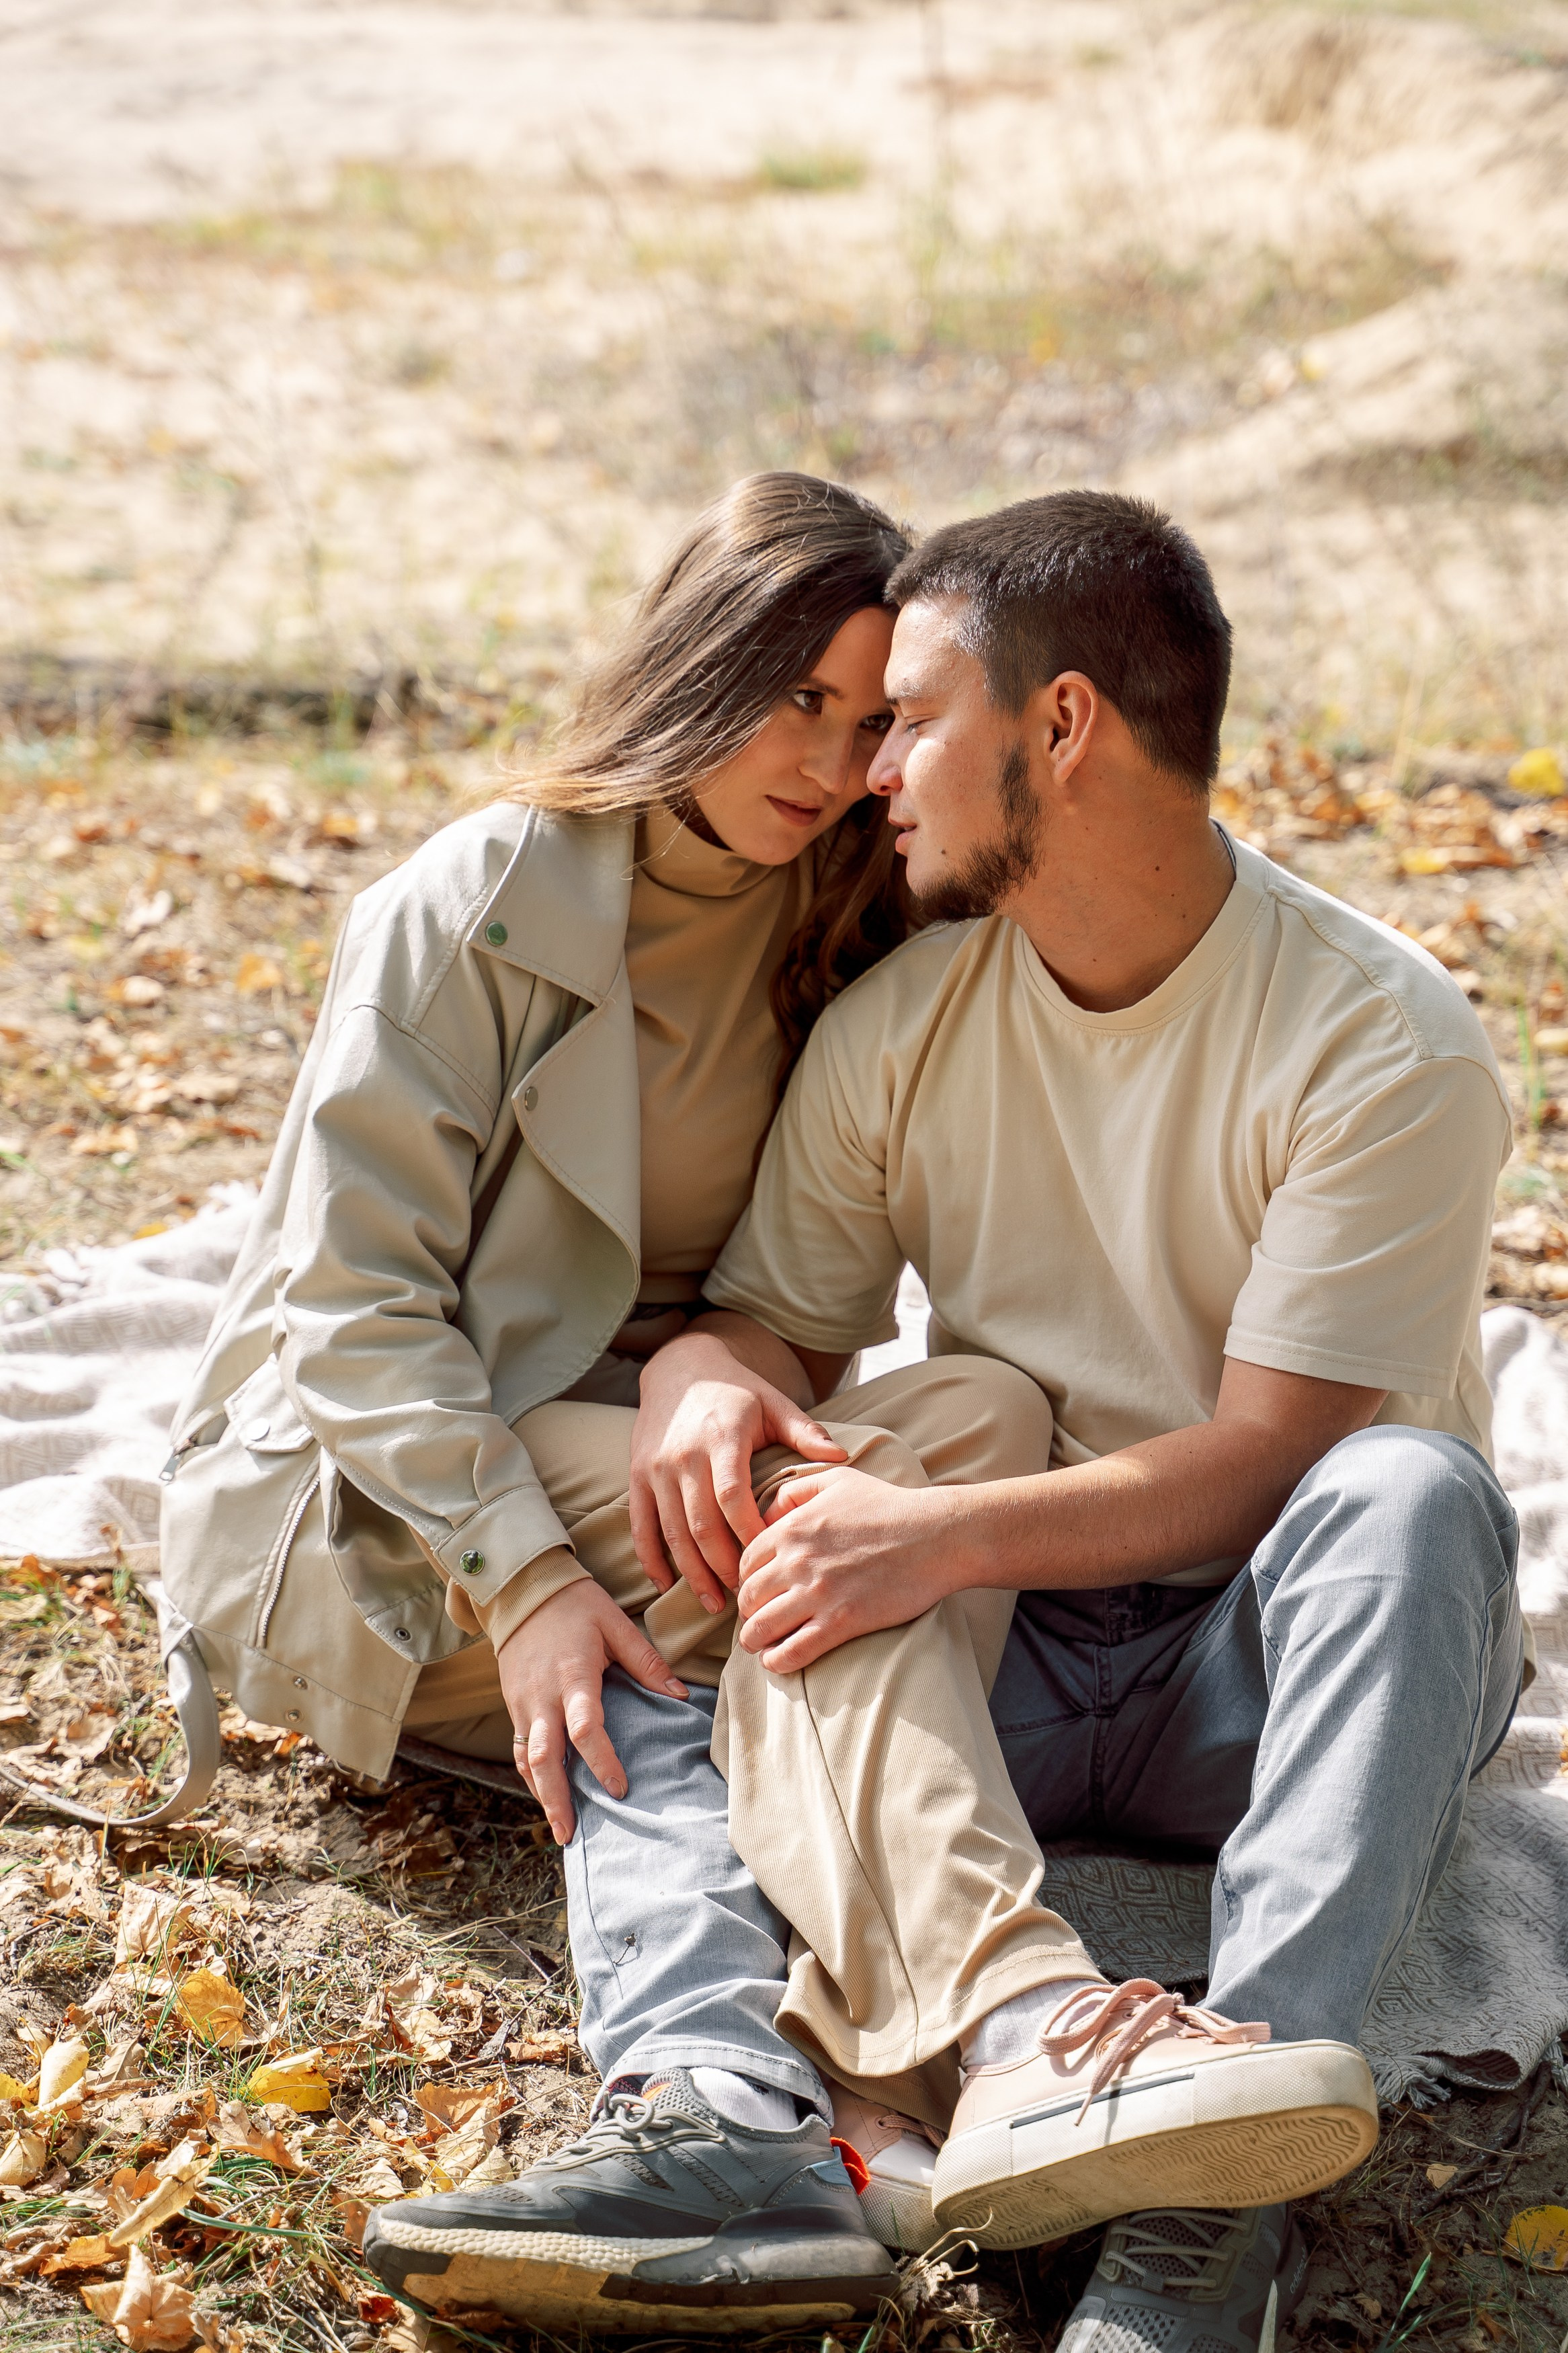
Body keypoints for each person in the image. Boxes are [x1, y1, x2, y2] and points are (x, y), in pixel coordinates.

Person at [367, 491, 1522, 2353]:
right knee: (825, 1492)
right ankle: (808, 2093)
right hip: (1016, 1668)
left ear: (1057, 729)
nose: (868, 772)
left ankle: (1203, 2188)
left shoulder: (1380, 1037)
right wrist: (699, 1376)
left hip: (1279, 1668)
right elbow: (774, 1326)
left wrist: (946, 1535)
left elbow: (1269, 1462)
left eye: (908, 718)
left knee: (1415, 1490)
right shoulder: (908, 1018)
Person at [161, 471, 1042, 2330]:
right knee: (807, 1542)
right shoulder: (474, 898)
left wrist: (736, 1374)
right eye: (794, 695)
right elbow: (353, 1301)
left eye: (870, 717)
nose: (824, 755)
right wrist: (533, 1579)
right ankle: (839, 2069)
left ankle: (803, 2100)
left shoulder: (844, 914)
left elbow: (802, 1287)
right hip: (385, 1471)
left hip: (642, 1429)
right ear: (700, 662)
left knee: (967, 1429)